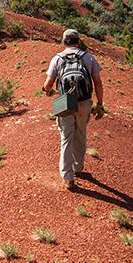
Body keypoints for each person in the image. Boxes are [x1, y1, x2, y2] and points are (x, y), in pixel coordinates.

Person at [43, 29, 104, 189]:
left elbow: (48, 84)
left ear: (63, 42)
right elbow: (98, 83)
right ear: (78, 41)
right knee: (81, 133)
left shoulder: (57, 58)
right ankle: (78, 167)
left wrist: (47, 91)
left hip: (65, 102)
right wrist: (99, 104)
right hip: (85, 101)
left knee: (66, 137)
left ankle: (68, 176)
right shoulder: (89, 58)